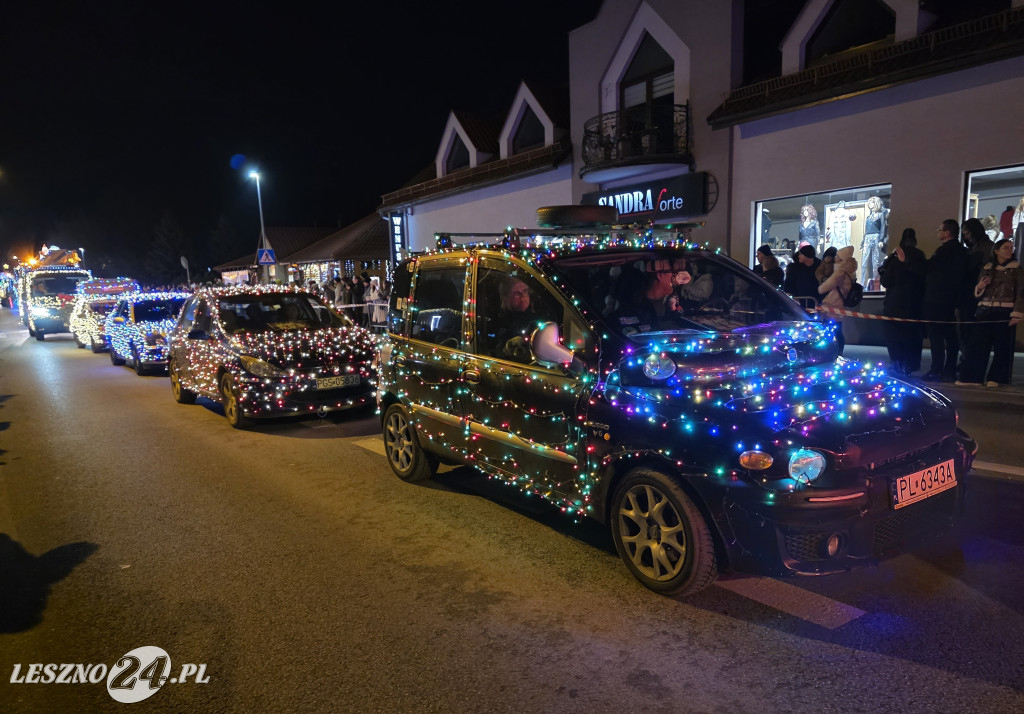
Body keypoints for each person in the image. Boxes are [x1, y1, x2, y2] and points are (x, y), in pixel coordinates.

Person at [956, 239, 1023, 387]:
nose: (1009, 250)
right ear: (996, 250)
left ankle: (997, 378)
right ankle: (972, 377)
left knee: (1002, 347)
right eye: (1006, 247)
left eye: (1011, 247)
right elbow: (978, 289)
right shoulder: (987, 267)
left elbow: (1021, 292)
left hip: (1005, 310)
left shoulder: (1017, 269)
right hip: (985, 309)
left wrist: (1016, 313)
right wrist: (980, 286)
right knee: (978, 345)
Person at [921, 219, 969, 382]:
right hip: (951, 300)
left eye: (939, 229)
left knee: (936, 337)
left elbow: (930, 270)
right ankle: (949, 368)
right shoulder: (961, 251)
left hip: (937, 300)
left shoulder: (944, 252)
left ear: (947, 232)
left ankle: (936, 369)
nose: (938, 232)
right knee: (950, 336)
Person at [878, 228, 926, 375]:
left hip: (895, 303)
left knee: (894, 336)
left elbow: (887, 281)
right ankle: (911, 364)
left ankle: (897, 363)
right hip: (915, 303)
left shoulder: (895, 256)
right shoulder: (920, 256)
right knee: (912, 335)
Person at [818, 246, 857, 354]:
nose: (835, 258)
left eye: (838, 256)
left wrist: (822, 282)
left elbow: (823, 288)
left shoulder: (840, 273)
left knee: (832, 331)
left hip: (832, 305)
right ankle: (838, 352)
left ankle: (834, 353)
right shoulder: (850, 271)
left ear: (842, 259)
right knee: (837, 330)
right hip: (840, 305)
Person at [495, 275, 542, 359]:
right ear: (505, 297)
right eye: (517, 293)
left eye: (525, 291)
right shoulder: (498, 321)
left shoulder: (539, 317)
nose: (523, 296)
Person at [860, 196, 889, 289]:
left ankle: (875, 282)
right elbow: (866, 231)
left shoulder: (881, 215)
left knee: (875, 261)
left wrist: (881, 240)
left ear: (876, 203)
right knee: (864, 261)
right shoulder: (868, 217)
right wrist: (862, 243)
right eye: (869, 202)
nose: (870, 204)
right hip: (868, 238)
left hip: (876, 237)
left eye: (872, 202)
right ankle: (861, 283)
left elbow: (883, 229)